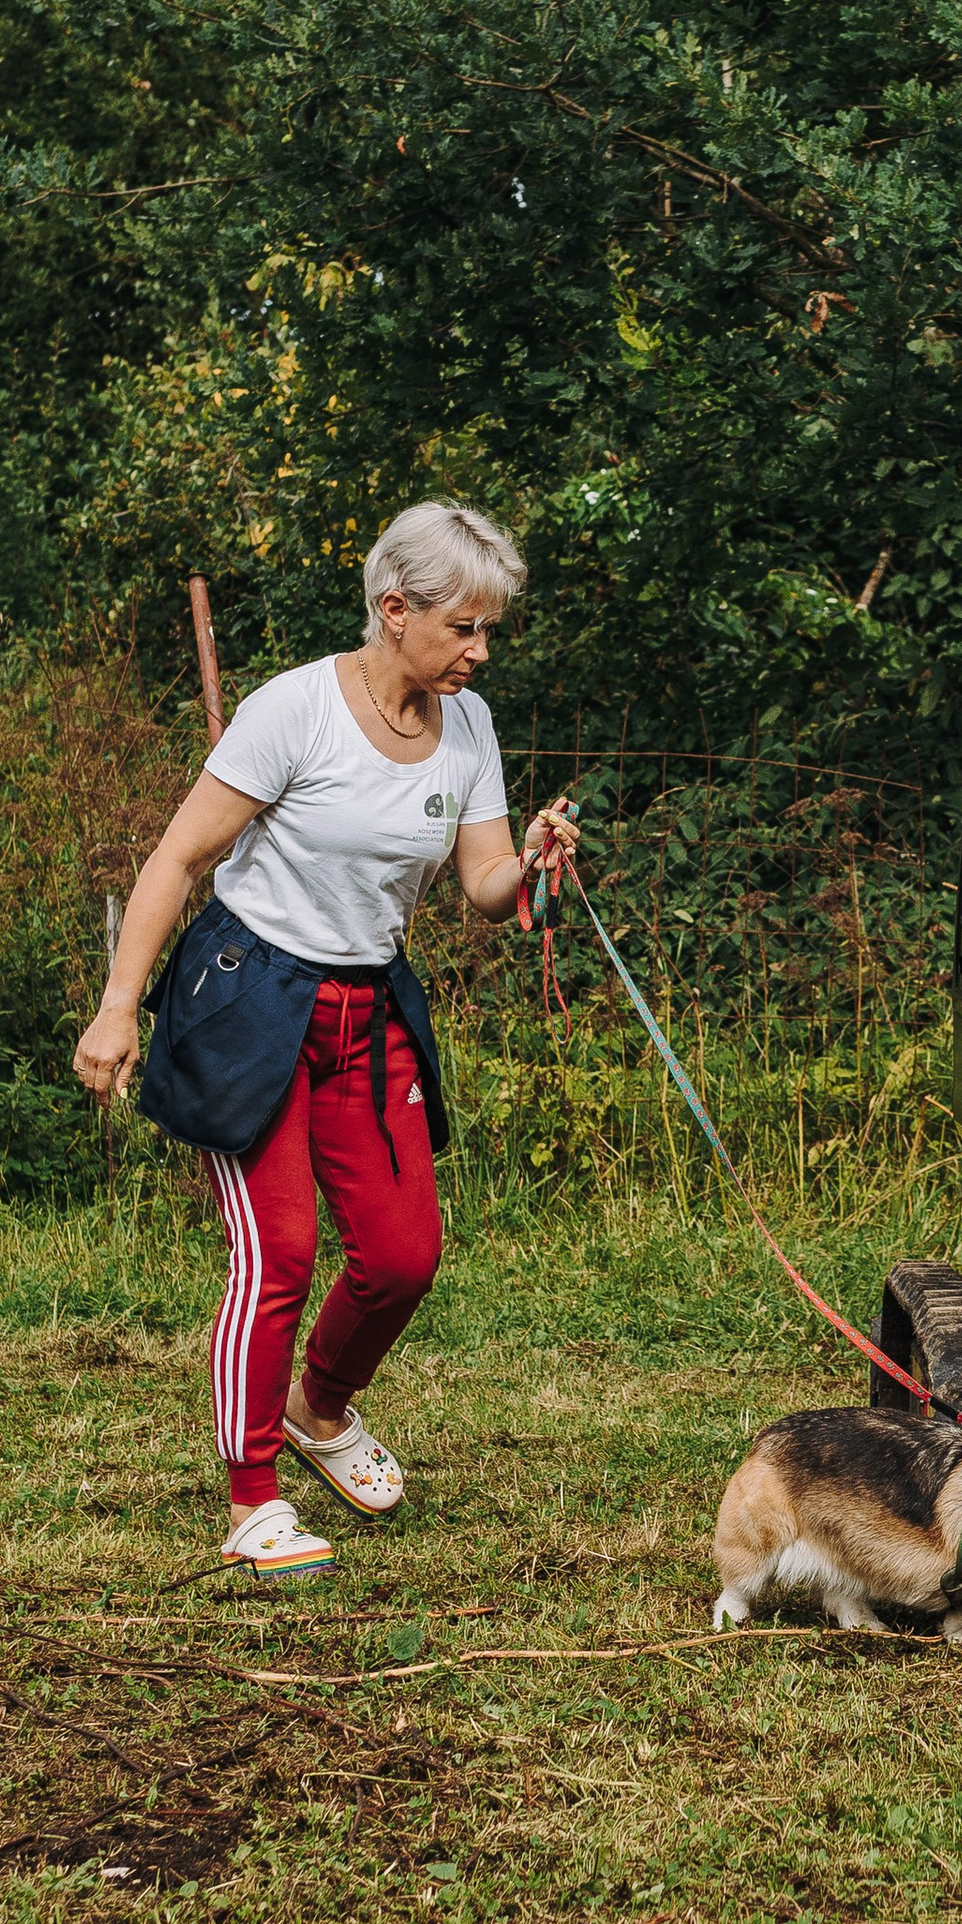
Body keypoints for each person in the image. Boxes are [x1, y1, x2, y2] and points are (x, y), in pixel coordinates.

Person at [73, 501, 577, 1583]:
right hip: (250, 999)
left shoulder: (469, 724)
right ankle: (252, 1499)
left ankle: (321, 1405)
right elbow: (175, 860)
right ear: (395, 611)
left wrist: (529, 855)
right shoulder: (293, 710)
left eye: (489, 631)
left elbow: (483, 888)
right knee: (281, 1252)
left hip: (368, 1005)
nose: (480, 651)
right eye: (465, 628)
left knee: (402, 1257)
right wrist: (120, 1005)